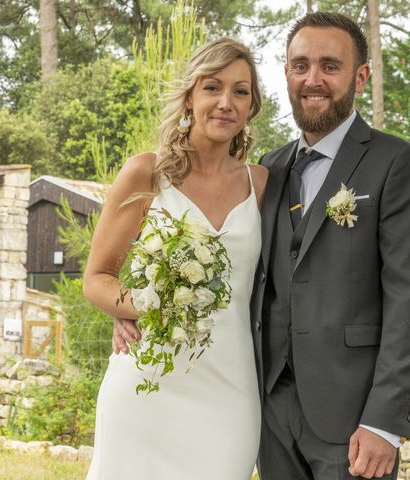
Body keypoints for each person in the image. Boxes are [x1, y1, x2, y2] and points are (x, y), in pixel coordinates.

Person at [83, 37, 268, 479]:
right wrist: (143, 304)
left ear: (251, 106)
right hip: (148, 381)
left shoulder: (263, 185)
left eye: (240, 91)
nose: (226, 102)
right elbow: (97, 278)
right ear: (189, 96)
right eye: (212, 87)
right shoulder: (145, 173)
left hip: (231, 389)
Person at [250, 12, 410, 480]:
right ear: (285, 74)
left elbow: (407, 297)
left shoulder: (395, 162)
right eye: (300, 65)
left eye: (329, 66)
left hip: (353, 416)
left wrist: (384, 419)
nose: (312, 79)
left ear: (361, 75)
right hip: (269, 410)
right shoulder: (269, 167)